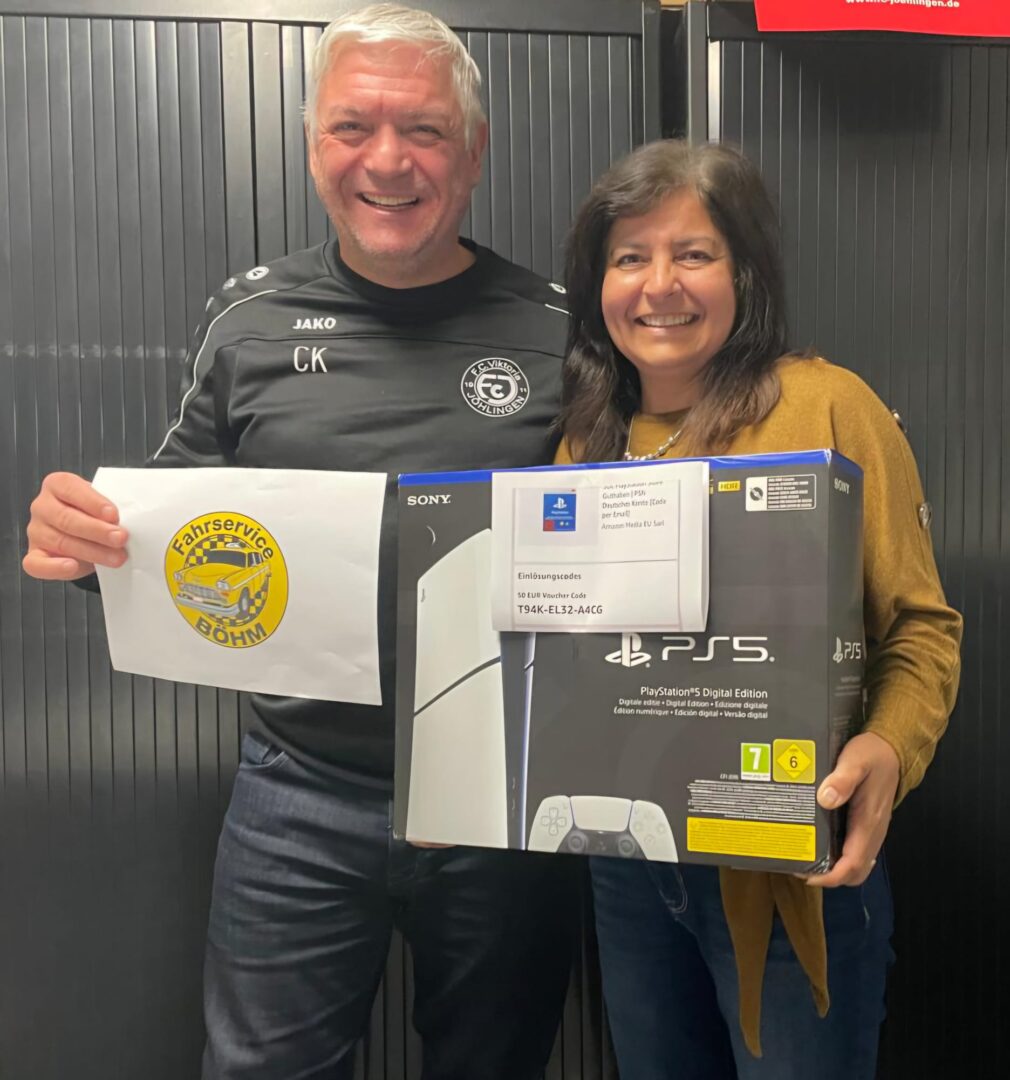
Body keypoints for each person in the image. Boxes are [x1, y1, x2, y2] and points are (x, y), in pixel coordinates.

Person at [22, 6, 577, 1078]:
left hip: (505, 791)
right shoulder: (248, 320)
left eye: (423, 129)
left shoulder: (559, 328)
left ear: (472, 151)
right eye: (351, 127)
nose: (387, 161)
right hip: (298, 789)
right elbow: (171, 532)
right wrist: (85, 541)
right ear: (314, 146)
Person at [555, 139, 963, 1079]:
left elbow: (920, 627)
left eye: (694, 253)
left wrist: (889, 749)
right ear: (598, 282)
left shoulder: (828, 406)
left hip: (795, 869)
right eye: (629, 257)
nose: (660, 284)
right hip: (629, 864)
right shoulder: (584, 439)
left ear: (744, 271)